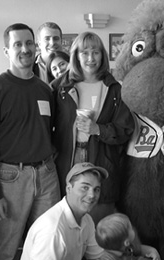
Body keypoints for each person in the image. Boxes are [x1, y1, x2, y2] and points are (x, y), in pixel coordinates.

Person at [0, 23, 61, 259]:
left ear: (36, 47)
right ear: (7, 51)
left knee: (47, 245)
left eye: (29, 43)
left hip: (47, 177)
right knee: (6, 248)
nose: (25, 49)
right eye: (17, 44)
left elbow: (50, 133)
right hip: (11, 181)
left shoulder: (45, 90)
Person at [51, 31, 135, 224]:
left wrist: (98, 129)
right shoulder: (59, 88)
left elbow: (125, 129)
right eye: (85, 52)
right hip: (68, 159)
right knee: (70, 219)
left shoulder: (115, 89)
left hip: (102, 159)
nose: (90, 58)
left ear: (102, 55)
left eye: (95, 52)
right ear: (76, 56)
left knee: (100, 218)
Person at [21, 162, 108, 260]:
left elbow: (99, 256)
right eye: (85, 188)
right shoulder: (52, 231)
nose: (92, 195)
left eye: (96, 189)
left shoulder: (87, 220)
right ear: (68, 189)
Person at [96, 213, 161, 260]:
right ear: (126, 242)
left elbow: (137, 250)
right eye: (130, 228)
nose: (133, 227)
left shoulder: (124, 246)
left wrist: (152, 251)